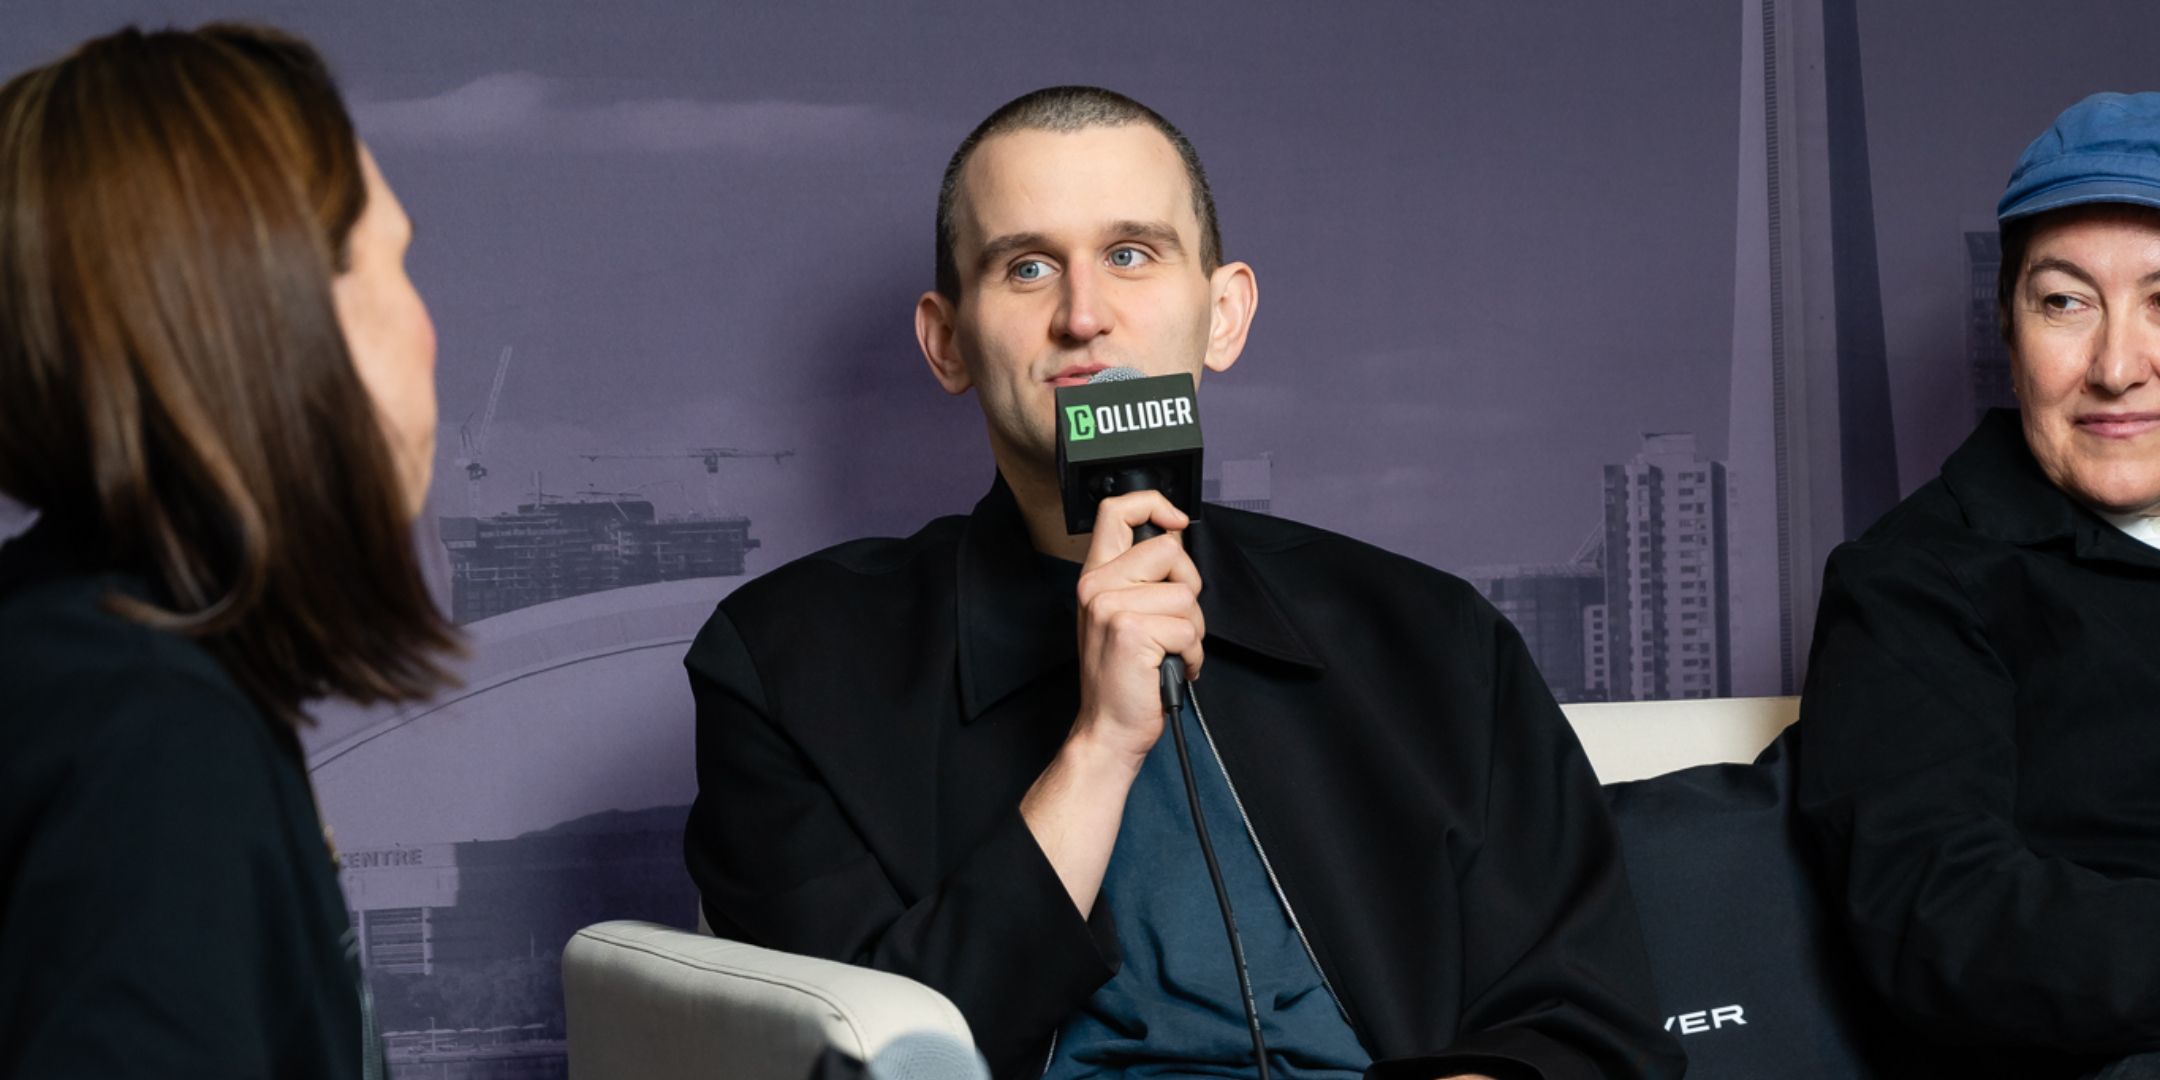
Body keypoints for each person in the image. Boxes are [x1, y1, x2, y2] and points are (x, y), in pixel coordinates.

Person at [684, 86, 1682, 1080]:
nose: (1084, 316)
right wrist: (1100, 749)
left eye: (1131, 255)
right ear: (947, 341)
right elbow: (855, 1061)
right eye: (1027, 267)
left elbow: (1588, 1026)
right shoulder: (789, 663)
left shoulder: (1430, 635)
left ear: (1224, 314)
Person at [0, 24, 456, 1079]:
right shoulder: (152, 744)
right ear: (263, 319)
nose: (427, 327)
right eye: (387, 262)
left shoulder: (84, 663)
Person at [1796, 91, 2160, 1079]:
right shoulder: (1912, 584)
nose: (2119, 365)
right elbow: (1946, 927)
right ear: (2009, 333)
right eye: (2065, 302)